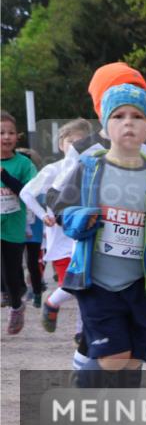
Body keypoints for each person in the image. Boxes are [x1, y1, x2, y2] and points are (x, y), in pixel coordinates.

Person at [52, 84, 146, 387]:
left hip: (142, 284)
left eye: (137, 116)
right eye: (119, 116)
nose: (128, 122)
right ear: (105, 126)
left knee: (132, 362)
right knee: (115, 358)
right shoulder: (89, 168)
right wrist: (80, 219)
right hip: (97, 280)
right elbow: (62, 209)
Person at [19, 118, 93, 332]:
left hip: (85, 236)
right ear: (61, 144)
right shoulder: (54, 170)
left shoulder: (93, 169)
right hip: (61, 239)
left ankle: (81, 332)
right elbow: (26, 193)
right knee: (72, 286)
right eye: (71, 141)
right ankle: (52, 302)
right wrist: (43, 215)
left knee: (86, 287)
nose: (76, 146)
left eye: (82, 142)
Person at [1, 110, 37, 334]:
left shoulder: (23, 164)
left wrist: (5, 176)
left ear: (17, 136)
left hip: (13, 227)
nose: (6, 137)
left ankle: (16, 304)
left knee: (12, 274)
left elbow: (28, 192)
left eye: (11, 132)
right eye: (1, 132)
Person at [18, 148, 45, 308]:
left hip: (34, 228)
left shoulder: (39, 180)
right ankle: (19, 291)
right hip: (17, 226)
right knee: (15, 262)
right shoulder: (12, 179)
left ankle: (36, 292)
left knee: (32, 263)